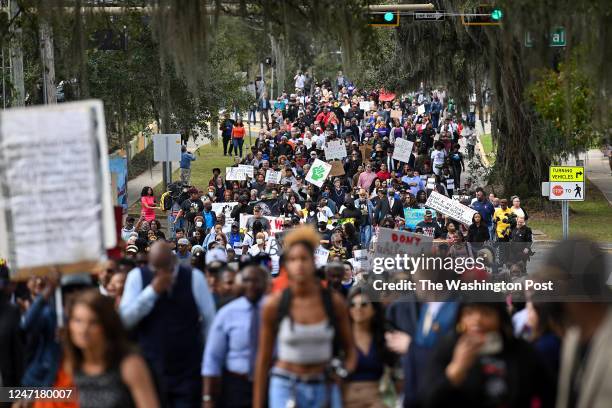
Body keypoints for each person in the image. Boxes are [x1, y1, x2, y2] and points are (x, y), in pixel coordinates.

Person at [254, 225, 356, 408]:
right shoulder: (274, 304)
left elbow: (350, 352)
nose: (298, 264)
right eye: (292, 259)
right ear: (286, 265)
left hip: (324, 386)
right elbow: (263, 360)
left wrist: (341, 375)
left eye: (304, 259)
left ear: (313, 261)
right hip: (284, 386)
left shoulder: (334, 302)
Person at [120, 241, 216, 407]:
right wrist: (151, 292)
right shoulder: (137, 276)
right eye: (155, 269)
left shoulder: (194, 278)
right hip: (150, 369)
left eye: (165, 269)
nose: (161, 273)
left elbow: (210, 323)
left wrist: (208, 363)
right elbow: (125, 320)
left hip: (187, 370)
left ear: (174, 261)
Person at [419, 301, 555, 407]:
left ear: (500, 319)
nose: (477, 320)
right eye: (469, 313)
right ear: (459, 320)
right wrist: (456, 370)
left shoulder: (522, 351)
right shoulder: (447, 349)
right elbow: (428, 400)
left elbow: (548, 394)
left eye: (486, 313)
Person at [64, 290, 160, 408]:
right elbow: (45, 395)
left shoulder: (129, 365)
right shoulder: (71, 364)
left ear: (107, 325)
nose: (83, 330)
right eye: (77, 321)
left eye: (93, 322)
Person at [202, 266, 269, 408]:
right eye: (246, 280)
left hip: (269, 384)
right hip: (236, 386)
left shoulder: (275, 310)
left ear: (265, 284)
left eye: (256, 280)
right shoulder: (227, 313)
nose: (251, 285)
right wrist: (208, 398)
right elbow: (213, 357)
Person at [343, 289, 393, 408]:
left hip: (377, 399)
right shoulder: (341, 339)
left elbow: (396, 374)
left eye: (364, 304)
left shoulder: (384, 338)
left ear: (374, 309)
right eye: (352, 305)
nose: (358, 308)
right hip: (345, 398)